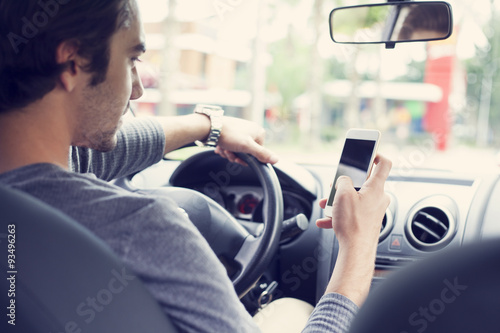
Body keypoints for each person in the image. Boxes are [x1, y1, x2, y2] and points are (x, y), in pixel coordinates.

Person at [0, 1, 392, 332]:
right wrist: (357, 247)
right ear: (72, 62)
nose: (137, 88)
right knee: (290, 308)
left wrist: (208, 127)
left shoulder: (24, 197)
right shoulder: (143, 227)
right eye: (131, 59)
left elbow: (95, 155)